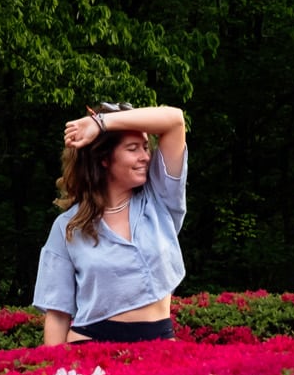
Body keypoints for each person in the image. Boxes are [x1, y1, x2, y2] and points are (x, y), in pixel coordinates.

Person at [33, 102, 188, 345]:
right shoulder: (67, 226)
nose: (145, 157)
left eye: (146, 147)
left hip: (159, 347)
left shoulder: (160, 198)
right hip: (87, 349)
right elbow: (57, 313)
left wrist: (101, 123)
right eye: (133, 148)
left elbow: (175, 120)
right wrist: (56, 373)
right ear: (104, 159)